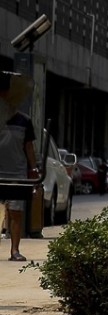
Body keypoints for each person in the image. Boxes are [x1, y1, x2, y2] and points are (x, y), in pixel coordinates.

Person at [0, 72, 38, 262]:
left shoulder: (24, 121)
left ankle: (15, 250)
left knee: (15, 213)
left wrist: (33, 170)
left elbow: (29, 147)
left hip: (16, 173)